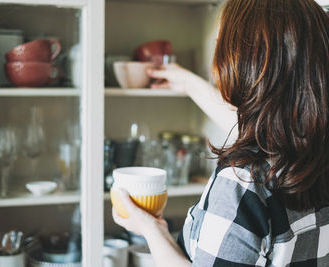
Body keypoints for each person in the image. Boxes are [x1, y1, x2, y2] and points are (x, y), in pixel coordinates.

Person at [112, 0, 329, 266]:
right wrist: (188, 83)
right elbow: (264, 129)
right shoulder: (312, 151)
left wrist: (150, 229)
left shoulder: (241, 184)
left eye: (222, 46)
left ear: (245, 63)